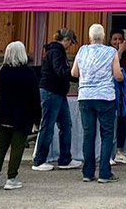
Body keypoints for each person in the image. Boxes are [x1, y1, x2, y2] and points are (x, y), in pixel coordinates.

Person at [72, 23, 124, 183]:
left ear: (90, 37)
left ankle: (88, 173)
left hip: (85, 96)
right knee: (107, 134)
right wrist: (120, 76)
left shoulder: (82, 50)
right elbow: (117, 75)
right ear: (103, 38)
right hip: (105, 97)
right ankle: (104, 173)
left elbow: (74, 73)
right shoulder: (111, 51)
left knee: (89, 135)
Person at [0, 41, 41, 191]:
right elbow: (35, 98)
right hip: (23, 116)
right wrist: (38, 118)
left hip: (4, 114)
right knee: (17, 147)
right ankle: (11, 178)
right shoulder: (29, 73)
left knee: (0, 146)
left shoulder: (2, 71)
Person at [32, 29, 82, 172]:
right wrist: (76, 74)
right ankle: (39, 160)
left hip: (56, 92)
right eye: (70, 43)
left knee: (65, 125)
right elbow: (60, 71)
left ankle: (65, 159)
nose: (70, 46)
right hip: (52, 92)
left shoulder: (53, 51)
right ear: (66, 40)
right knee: (49, 126)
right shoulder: (57, 52)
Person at [110, 29, 126, 165]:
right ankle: (113, 151)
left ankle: (120, 150)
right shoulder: (110, 52)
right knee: (113, 121)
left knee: (123, 119)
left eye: (120, 39)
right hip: (115, 91)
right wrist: (120, 50)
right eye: (115, 39)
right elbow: (113, 65)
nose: (118, 42)